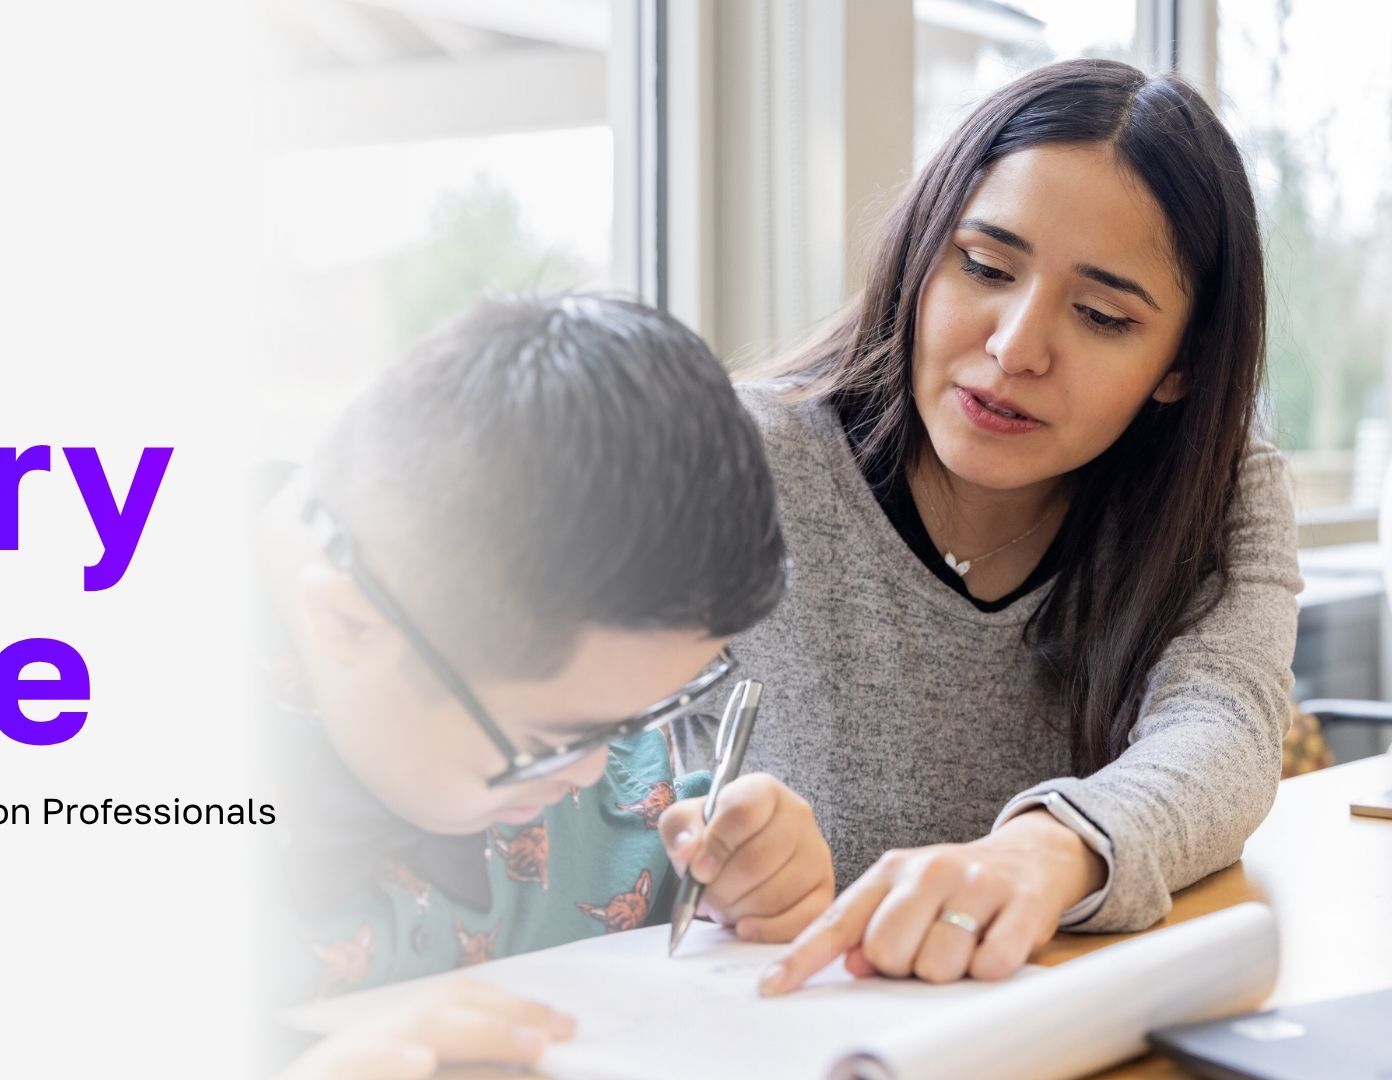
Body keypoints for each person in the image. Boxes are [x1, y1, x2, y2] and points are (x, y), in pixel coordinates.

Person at [662, 57, 1300, 996]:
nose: (1014, 348)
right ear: (924, 254)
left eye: (1099, 315)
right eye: (985, 267)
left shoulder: (1219, 492)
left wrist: (1045, 854)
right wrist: (714, 859)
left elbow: (1226, 727)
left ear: (1182, 365)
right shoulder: (735, 458)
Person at [252, 294, 820, 1077]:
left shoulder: (609, 778)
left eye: (649, 713)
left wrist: (752, 882)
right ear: (348, 625)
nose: (597, 773)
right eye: (548, 742)